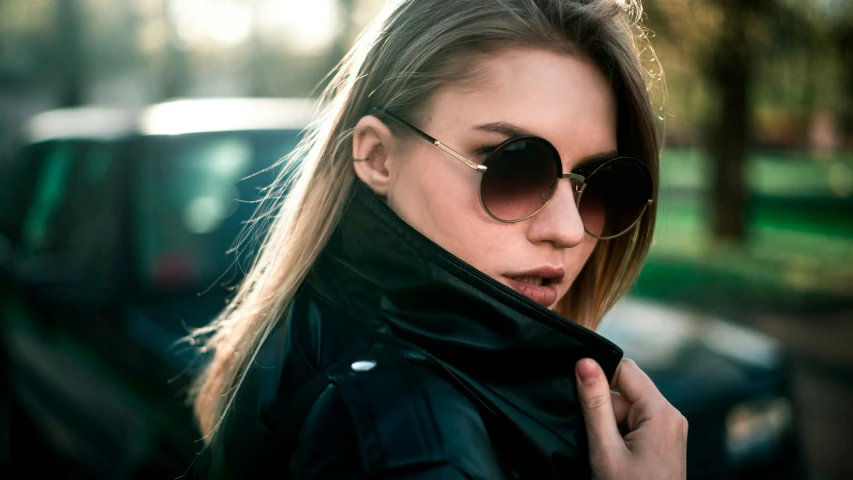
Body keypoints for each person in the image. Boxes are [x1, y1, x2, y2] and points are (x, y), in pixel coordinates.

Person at [190, 0, 687, 478]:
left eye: (597, 184)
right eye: (513, 167)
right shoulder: (408, 441)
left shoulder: (317, 343)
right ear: (379, 157)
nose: (568, 229)